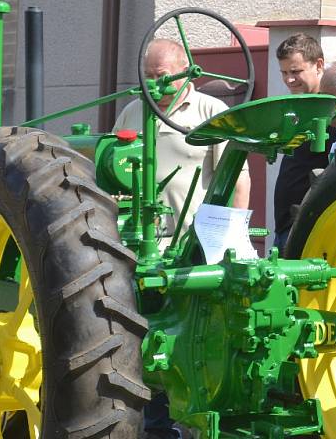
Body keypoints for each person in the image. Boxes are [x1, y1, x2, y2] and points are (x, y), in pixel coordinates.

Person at [113, 38, 250, 439]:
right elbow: (118, 168)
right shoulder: (134, 110)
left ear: (187, 69)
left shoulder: (212, 111)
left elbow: (237, 178)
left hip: (195, 244)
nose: (157, 85)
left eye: (164, 77)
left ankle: (205, 420)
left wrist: (228, 238)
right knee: (146, 331)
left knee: (196, 334)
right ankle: (157, 426)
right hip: (143, 243)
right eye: (149, 77)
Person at [273, 33, 332, 252]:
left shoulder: (332, 109)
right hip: (285, 226)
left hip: (311, 228)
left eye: (296, 71)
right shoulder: (297, 109)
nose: (289, 79)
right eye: (284, 73)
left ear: (318, 65)